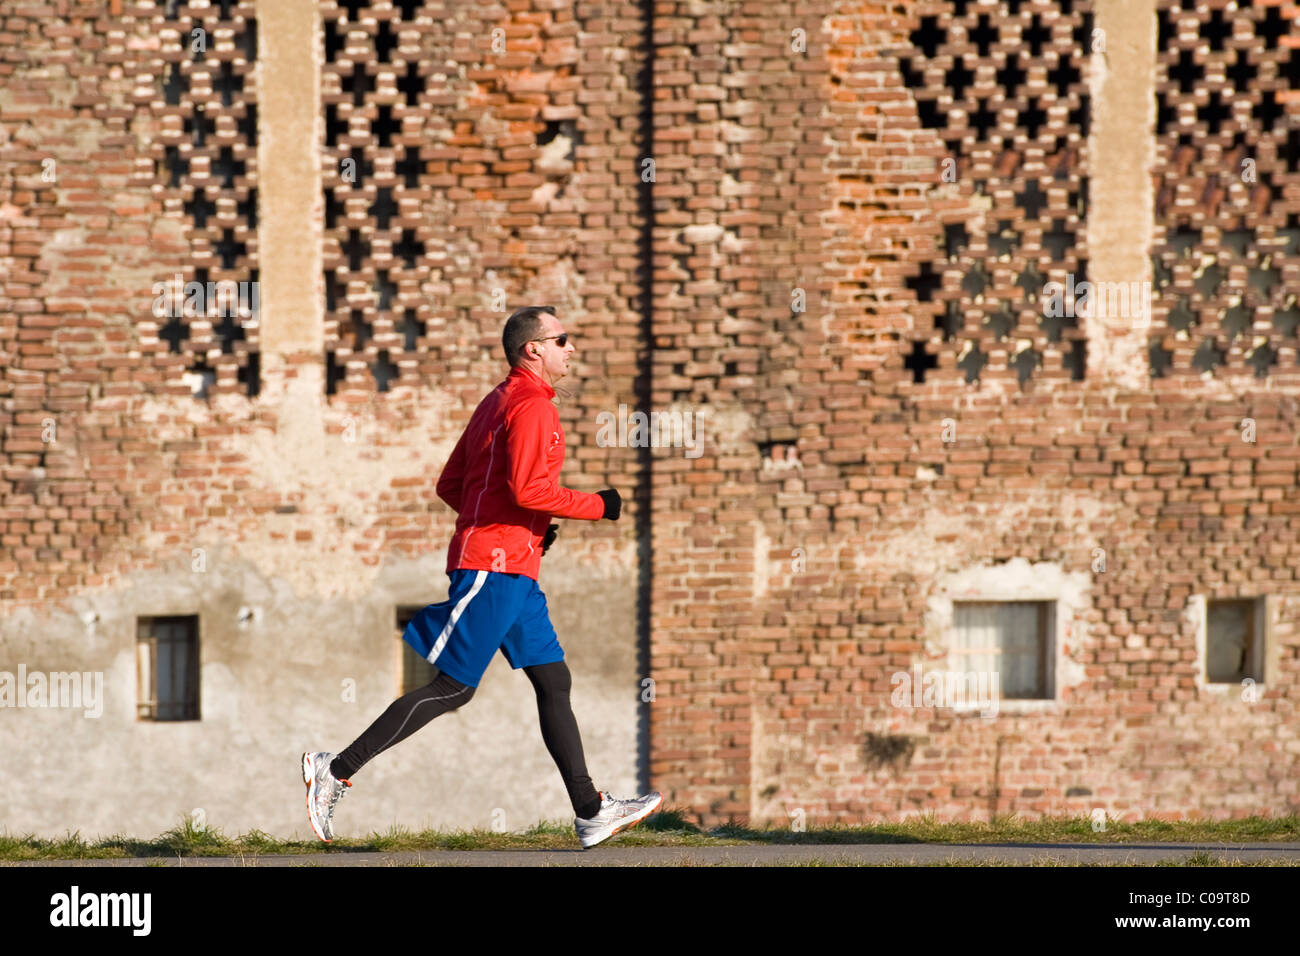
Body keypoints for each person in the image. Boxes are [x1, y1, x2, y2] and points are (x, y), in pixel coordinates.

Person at [302, 305, 662, 849]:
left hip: (515, 566)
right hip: (493, 567)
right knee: (454, 689)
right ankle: (335, 770)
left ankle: (591, 811)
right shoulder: (534, 407)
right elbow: (524, 491)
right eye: (562, 339)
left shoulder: (498, 400)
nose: (572, 348)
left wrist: (527, 527)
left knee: (553, 680)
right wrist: (598, 505)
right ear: (532, 349)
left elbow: (454, 485)